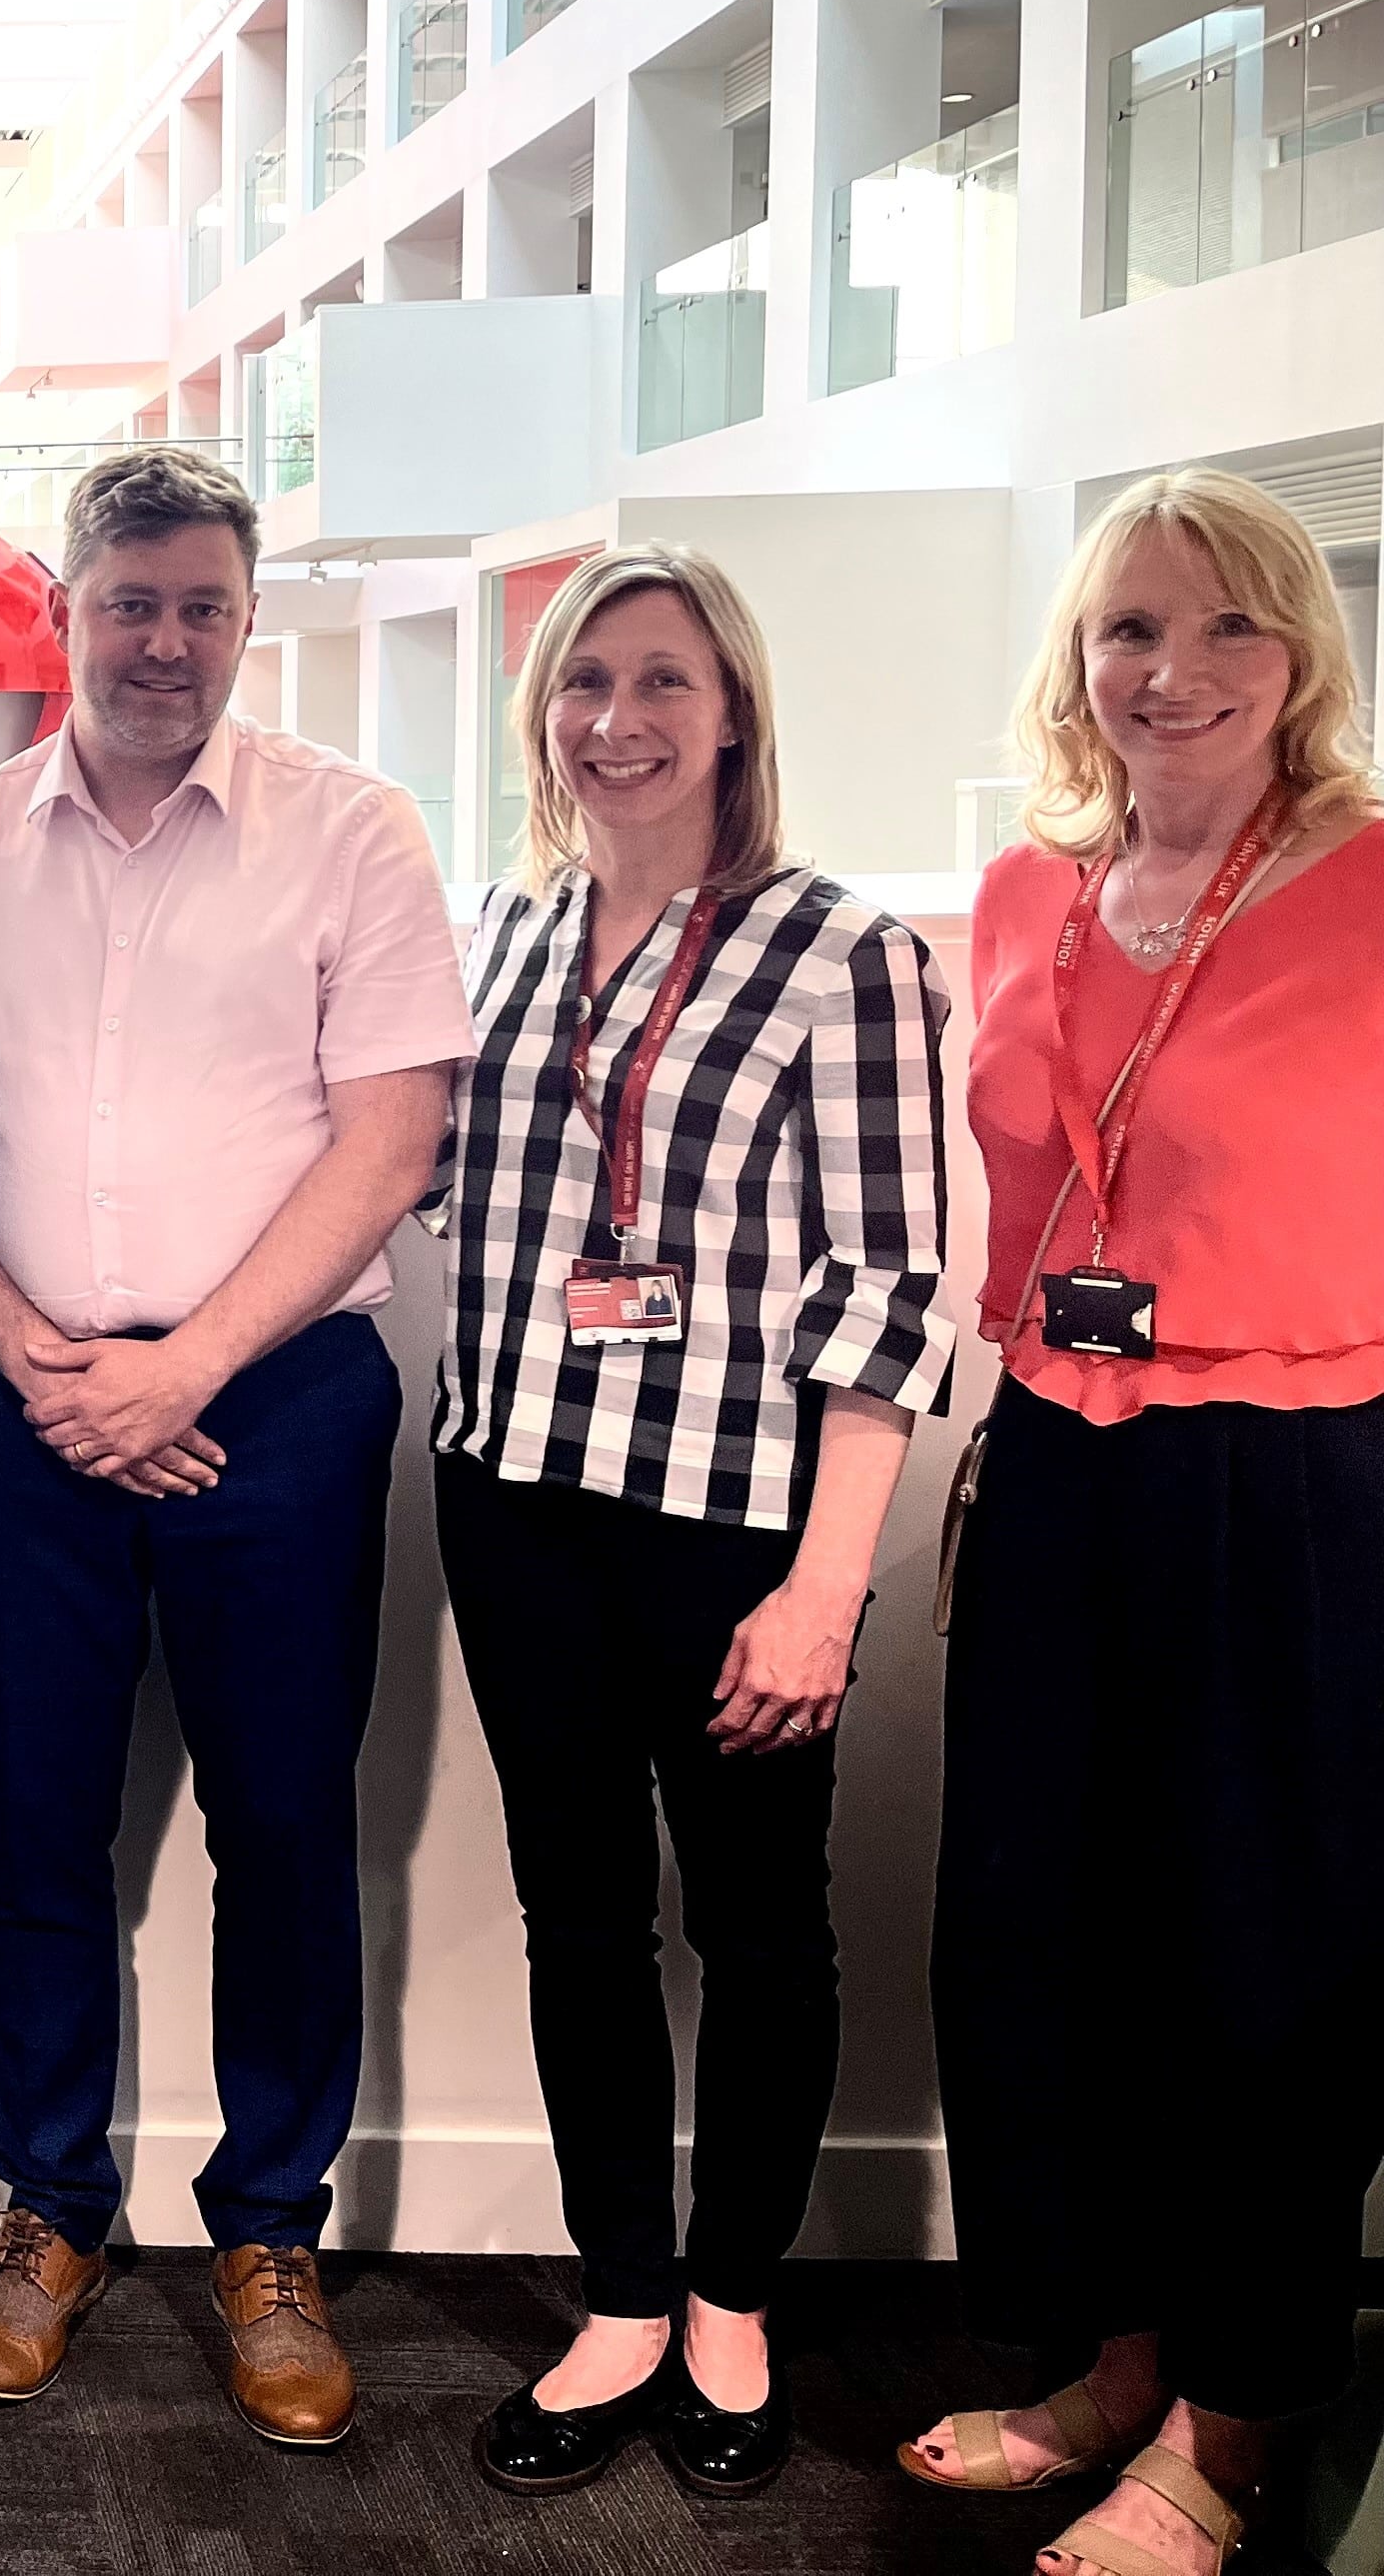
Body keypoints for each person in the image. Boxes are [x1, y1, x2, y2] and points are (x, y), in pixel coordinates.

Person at [0, 441, 466, 2452]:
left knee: (283, 1827)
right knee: (41, 1829)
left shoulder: (353, 834)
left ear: (247, 619)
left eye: (202, 608)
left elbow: (389, 1136)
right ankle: (50, 2210)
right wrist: (42, 1353)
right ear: (65, 609)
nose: (164, 641)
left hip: (284, 1409)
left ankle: (268, 2231)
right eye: (128, 601)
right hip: (23, 1398)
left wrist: (188, 1370)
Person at [428, 548, 952, 2500]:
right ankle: (625, 2295)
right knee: (579, 1915)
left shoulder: (844, 953)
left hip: (732, 1527)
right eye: (582, 683)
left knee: (757, 1925)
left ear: (733, 710)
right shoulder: (502, 930)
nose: (616, 722)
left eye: (661, 681)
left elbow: (891, 1296)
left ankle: (736, 2295)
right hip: (511, 1500)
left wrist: (828, 1589)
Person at [899, 468, 1384, 2576]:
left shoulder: (1374, 883)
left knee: (1261, 1961)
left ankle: (1237, 2409)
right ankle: (1106, 2354)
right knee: (1040, 1930)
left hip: (1287, 1472)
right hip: (1059, 1450)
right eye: (1128, 630)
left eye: (1223, 632)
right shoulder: (1027, 889)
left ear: (1301, 663)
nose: (1168, 673)